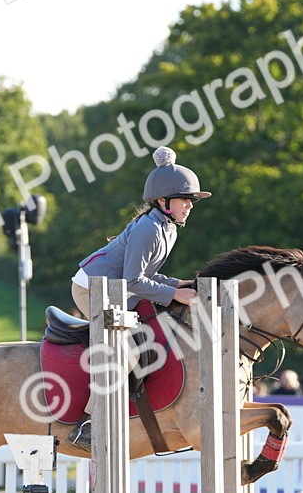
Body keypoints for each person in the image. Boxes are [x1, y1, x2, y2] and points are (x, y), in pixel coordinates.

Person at [67, 146, 208, 450]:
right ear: (164, 201)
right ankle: (87, 424)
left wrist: (178, 284)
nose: (190, 206)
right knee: (126, 350)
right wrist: (174, 293)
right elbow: (134, 279)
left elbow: (147, 275)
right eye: (186, 199)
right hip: (91, 288)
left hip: (118, 289)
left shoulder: (167, 228)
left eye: (191, 200)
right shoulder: (149, 229)